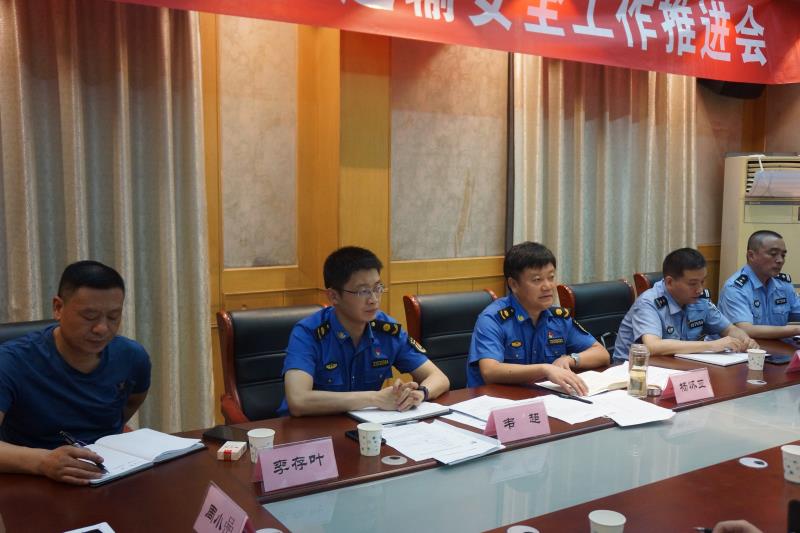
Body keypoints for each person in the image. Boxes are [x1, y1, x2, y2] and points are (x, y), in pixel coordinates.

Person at [0, 260, 151, 485]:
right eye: (89, 316)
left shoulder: (132, 357)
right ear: (58, 308)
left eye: (113, 317)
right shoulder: (11, 361)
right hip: (32, 479)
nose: (102, 328)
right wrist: (43, 461)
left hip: (108, 474)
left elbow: (130, 404)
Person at [281, 246, 449, 417]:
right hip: (311, 429)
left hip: (365, 426)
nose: (374, 300)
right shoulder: (308, 333)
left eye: (377, 288)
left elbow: (439, 378)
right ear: (334, 296)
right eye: (363, 291)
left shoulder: (387, 330)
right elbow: (298, 400)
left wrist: (419, 393)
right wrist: (374, 398)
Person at [466, 242, 609, 395]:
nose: (548, 286)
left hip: (543, 399)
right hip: (496, 401)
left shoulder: (557, 318)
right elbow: (490, 371)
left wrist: (570, 359)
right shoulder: (493, 319)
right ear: (514, 284)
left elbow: (602, 354)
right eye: (537, 280)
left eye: (551, 277)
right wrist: (544, 369)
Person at [614, 248, 758, 359]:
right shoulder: (649, 302)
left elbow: (729, 329)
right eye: (693, 283)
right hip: (633, 371)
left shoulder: (699, 299)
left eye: (702, 281)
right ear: (670, 282)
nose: (700, 289)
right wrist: (711, 345)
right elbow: (653, 346)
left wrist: (745, 340)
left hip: (677, 366)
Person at [718, 230, 800, 340]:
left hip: (777, 347)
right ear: (751, 255)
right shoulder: (735, 288)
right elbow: (745, 330)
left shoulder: (783, 284)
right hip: (742, 348)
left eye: (783, 255)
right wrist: (796, 330)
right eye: (773, 254)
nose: (780, 260)